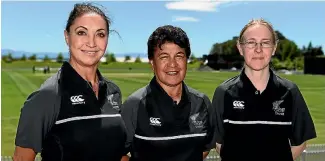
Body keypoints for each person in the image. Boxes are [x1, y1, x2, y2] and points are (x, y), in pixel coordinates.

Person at [13, 3, 126, 161]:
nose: (91, 43)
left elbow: (117, 152)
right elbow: (21, 158)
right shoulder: (47, 96)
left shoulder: (113, 92)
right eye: (81, 33)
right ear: (67, 37)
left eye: (100, 34)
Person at [212, 18, 317, 161]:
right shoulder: (223, 92)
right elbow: (218, 143)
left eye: (265, 43)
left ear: (274, 48)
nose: (258, 49)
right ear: (240, 47)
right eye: (251, 42)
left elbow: (300, 142)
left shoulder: (290, 92)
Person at [120, 25, 217, 161]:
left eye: (179, 56)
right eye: (164, 57)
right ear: (152, 63)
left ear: (186, 60)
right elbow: (117, 154)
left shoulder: (202, 103)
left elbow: (206, 148)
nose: (173, 64)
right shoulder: (134, 105)